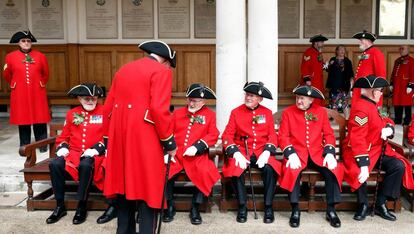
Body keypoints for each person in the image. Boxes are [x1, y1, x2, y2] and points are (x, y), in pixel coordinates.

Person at [103, 40, 177, 234]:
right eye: (170, 65)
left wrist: (107, 137)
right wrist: (169, 141)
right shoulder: (161, 72)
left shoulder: (124, 69)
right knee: (148, 188)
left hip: (120, 136)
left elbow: (108, 106)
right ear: (166, 61)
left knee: (124, 187)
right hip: (146, 137)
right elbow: (159, 110)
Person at [342, 75, 414, 222]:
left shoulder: (373, 105)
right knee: (359, 171)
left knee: (398, 166)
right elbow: (357, 139)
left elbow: (385, 119)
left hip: (376, 149)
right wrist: (363, 164)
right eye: (380, 91)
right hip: (358, 151)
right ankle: (362, 204)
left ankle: (380, 203)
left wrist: (389, 128)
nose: (381, 93)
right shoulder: (361, 108)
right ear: (374, 92)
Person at [46, 83, 116, 225]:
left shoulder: (104, 112)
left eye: (94, 98)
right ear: (79, 99)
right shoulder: (72, 114)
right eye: (86, 99)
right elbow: (64, 136)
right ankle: (60, 206)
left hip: (95, 155)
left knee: (85, 164)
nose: (90, 101)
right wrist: (63, 147)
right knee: (55, 164)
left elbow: (109, 135)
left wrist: (97, 149)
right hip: (74, 153)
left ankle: (81, 206)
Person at [278, 85, 344, 228]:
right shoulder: (288, 113)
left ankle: (331, 210)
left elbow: (328, 134)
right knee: (292, 171)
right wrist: (290, 153)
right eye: (297, 98)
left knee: (333, 170)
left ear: (311, 100)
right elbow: (283, 136)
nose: (299, 101)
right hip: (297, 154)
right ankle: (295, 210)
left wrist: (330, 153)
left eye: (302, 98)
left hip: (317, 154)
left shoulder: (320, 112)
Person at [221, 81, 281, 224]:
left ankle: (268, 206)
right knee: (236, 168)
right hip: (242, 151)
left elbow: (272, 135)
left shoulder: (266, 113)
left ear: (260, 99)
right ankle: (242, 206)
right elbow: (227, 135)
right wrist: (235, 152)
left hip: (261, 151)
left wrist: (267, 151)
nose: (248, 98)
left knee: (270, 168)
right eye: (247, 94)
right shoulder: (236, 112)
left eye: (252, 96)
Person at [163, 83, 220, 225]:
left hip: (196, 156)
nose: (192, 103)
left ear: (203, 101)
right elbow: (167, 132)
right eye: (190, 99)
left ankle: (195, 207)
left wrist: (198, 146)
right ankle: (169, 205)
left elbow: (214, 134)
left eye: (196, 101)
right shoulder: (177, 113)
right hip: (176, 153)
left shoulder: (210, 115)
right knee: (164, 170)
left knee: (205, 171)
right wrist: (166, 151)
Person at [2, 30, 50, 151]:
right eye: (23, 41)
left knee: (40, 117)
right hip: (20, 91)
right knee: (22, 118)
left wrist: (40, 83)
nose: (26, 43)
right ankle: (25, 145)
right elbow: (7, 74)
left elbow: (46, 74)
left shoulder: (40, 56)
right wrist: (15, 84)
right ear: (18, 43)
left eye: (28, 41)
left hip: (37, 91)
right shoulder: (10, 57)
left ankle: (42, 145)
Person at [351, 30, 386, 107]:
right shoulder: (365, 53)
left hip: (369, 92)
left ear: (368, 40)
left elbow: (381, 74)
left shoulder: (376, 53)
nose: (359, 42)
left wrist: (378, 90)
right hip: (361, 90)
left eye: (361, 40)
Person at [300, 34, 328, 106]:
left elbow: (319, 65)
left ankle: (318, 114)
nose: (323, 43)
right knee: (312, 98)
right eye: (321, 42)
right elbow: (304, 66)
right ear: (316, 43)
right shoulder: (308, 52)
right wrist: (307, 79)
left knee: (319, 97)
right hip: (312, 80)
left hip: (318, 80)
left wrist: (326, 66)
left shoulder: (319, 52)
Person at [390, 45, 414, 125]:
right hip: (397, 85)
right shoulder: (397, 60)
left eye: (403, 48)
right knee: (397, 103)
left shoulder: (411, 60)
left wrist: (411, 85)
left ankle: (407, 120)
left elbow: (413, 73)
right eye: (400, 48)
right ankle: (398, 120)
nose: (401, 50)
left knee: (407, 104)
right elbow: (393, 73)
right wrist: (392, 83)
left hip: (406, 85)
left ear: (408, 50)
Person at [326, 45, 354, 112]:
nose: (342, 51)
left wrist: (352, 83)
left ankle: (346, 120)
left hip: (344, 86)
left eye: (343, 49)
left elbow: (351, 73)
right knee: (334, 105)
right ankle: (336, 120)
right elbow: (328, 70)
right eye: (340, 49)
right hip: (334, 86)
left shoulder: (348, 61)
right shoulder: (332, 60)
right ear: (337, 51)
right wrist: (329, 65)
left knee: (345, 105)